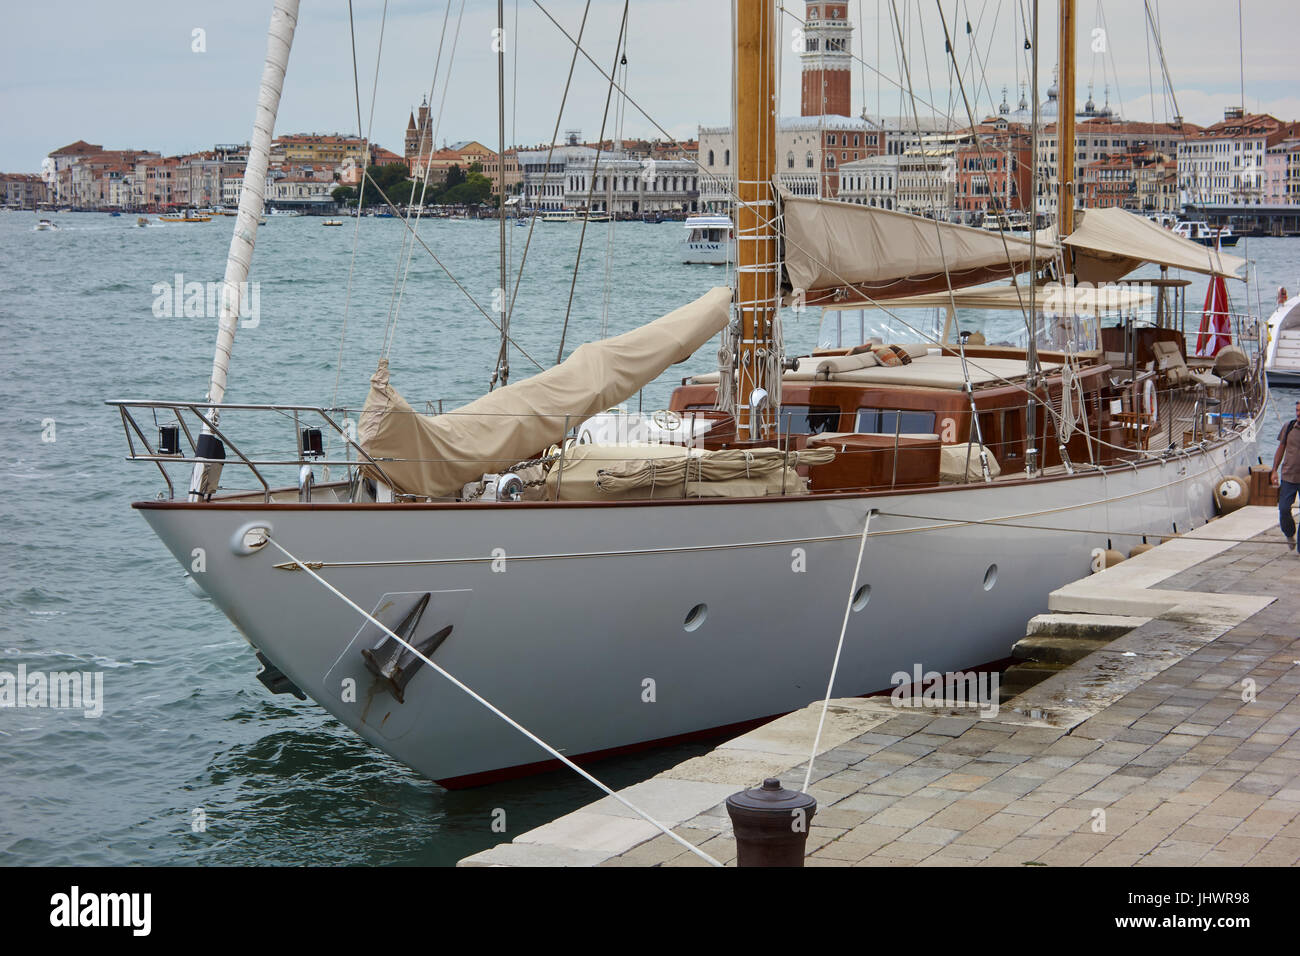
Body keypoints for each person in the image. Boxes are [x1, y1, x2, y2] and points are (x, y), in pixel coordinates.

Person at [1272, 399, 1300, 552]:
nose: (1298, 414)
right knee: (1283, 509)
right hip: (1289, 476)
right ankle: (1289, 533)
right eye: (1297, 411)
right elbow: (1281, 448)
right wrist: (1274, 470)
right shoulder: (1288, 427)